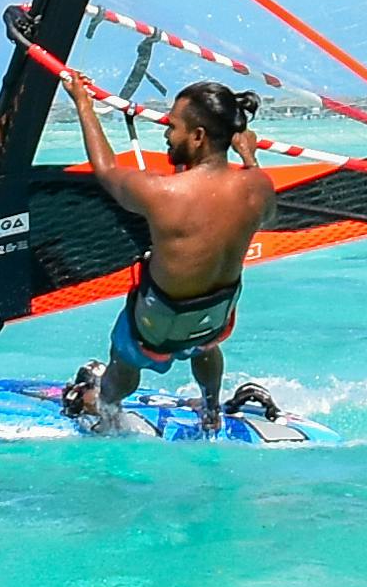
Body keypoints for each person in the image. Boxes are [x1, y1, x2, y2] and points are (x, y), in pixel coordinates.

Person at [64, 81, 274, 430]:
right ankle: (211, 409)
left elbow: (106, 170)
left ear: (198, 137)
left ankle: (106, 406)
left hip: (156, 327)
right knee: (205, 345)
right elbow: (267, 213)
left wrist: (84, 104)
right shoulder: (259, 188)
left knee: (124, 360)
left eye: (173, 127)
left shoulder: (162, 193)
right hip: (216, 319)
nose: (166, 135)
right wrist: (249, 156)